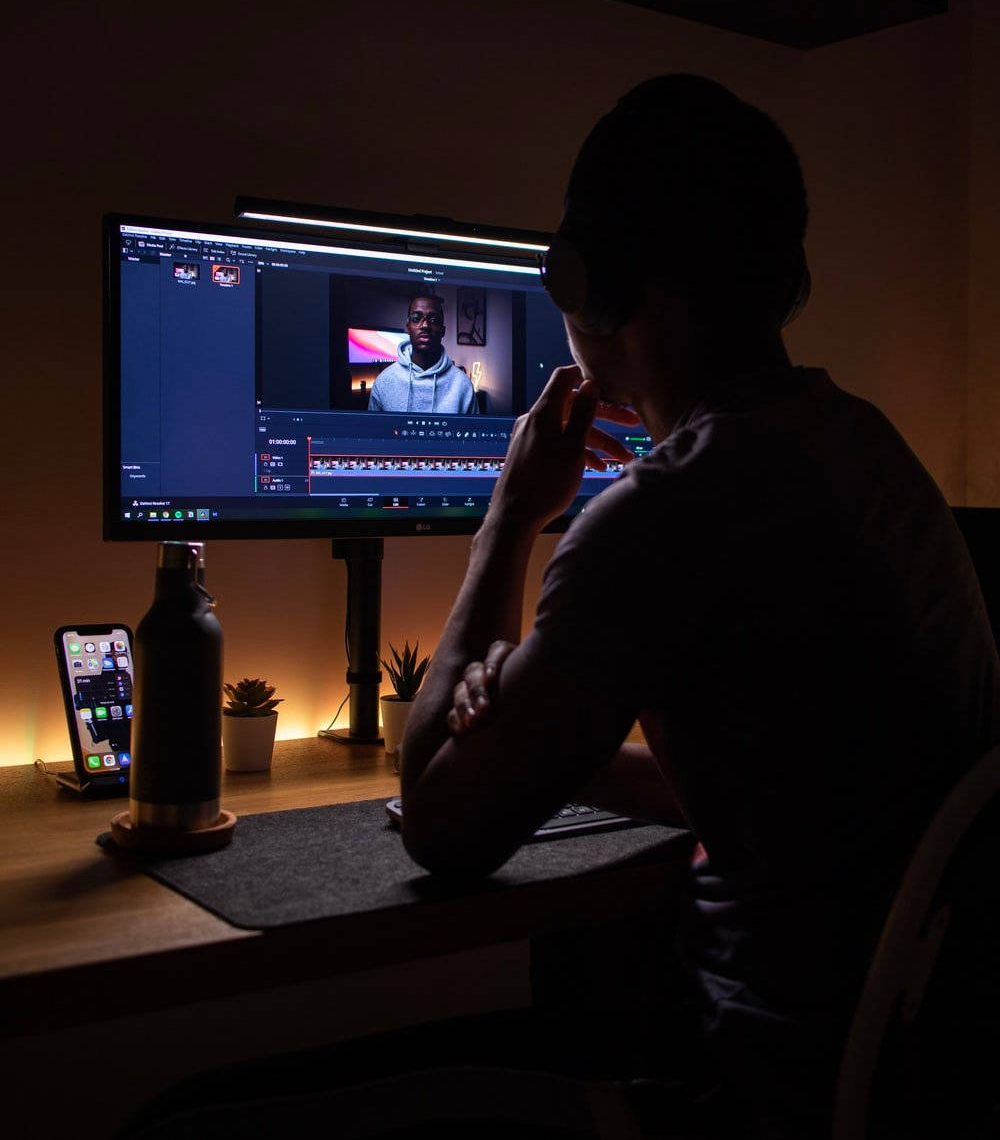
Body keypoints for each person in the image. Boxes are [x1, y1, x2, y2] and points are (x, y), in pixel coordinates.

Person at [400, 75, 1000, 1137]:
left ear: (595, 283)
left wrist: (511, 511)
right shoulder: (862, 445)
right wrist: (552, 730)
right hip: (912, 1081)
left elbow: (440, 820)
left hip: (751, 1095)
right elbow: (789, 781)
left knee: (183, 1119)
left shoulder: (666, 509)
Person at [368, 294, 479, 414]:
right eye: (416, 318)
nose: (425, 325)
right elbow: (373, 431)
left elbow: (473, 431)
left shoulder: (462, 385)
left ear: (443, 331)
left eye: (433, 320)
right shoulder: (383, 382)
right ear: (408, 327)